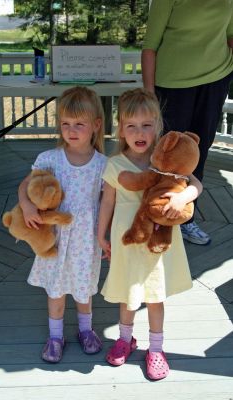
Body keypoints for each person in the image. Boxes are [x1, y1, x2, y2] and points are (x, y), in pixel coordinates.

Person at [98, 88, 202, 380]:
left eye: (147, 125)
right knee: (127, 293)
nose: (139, 132)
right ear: (121, 130)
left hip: (159, 242)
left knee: (155, 296)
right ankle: (125, 338)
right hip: (127, 239)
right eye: (131, 126)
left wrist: (184, 198)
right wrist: (100, 235)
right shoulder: (115, 164)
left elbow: (196, 184)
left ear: (158, 126)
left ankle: (156, 348)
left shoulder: (169, 160)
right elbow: (107, 202)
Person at [18, 86, 107, 363]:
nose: (71, 130)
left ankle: (85, 329)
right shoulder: (50, 159)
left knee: (83, 289)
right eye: (65, 123)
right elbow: (26, 185)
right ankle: (55, 336)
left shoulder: (103, 164)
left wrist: (106, 236)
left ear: (95, 125)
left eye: (79, 124)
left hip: (85, 240)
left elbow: (108, 203)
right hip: (55, 239)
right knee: (56, 290)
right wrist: (27, 205)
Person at [142, 0, 233, 245]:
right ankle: (157, 214)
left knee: (198, 151)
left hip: (216, 79)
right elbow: (150, 47)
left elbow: (230, 36)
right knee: (167, 155)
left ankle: (185, 218)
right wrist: (149, 95)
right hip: (172, 85)